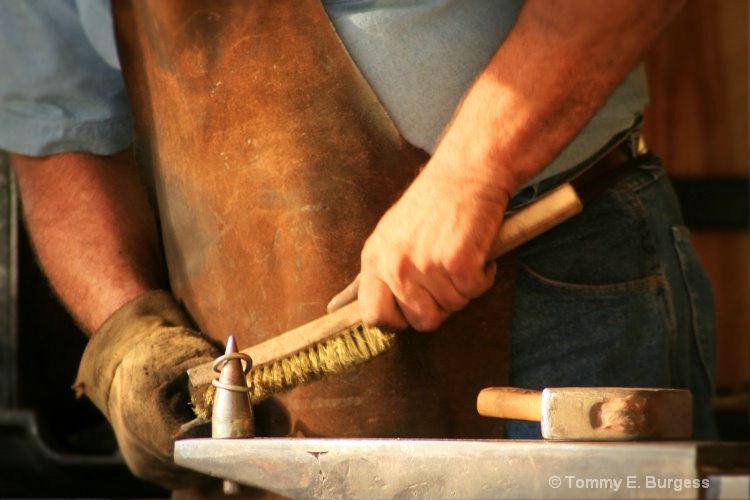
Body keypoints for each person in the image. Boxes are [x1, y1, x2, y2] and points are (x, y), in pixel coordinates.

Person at [0, 0, 716, 493]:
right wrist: (126, 330)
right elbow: (56, 132)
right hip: (248, 385)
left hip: (549, 286)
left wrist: (472, 176)